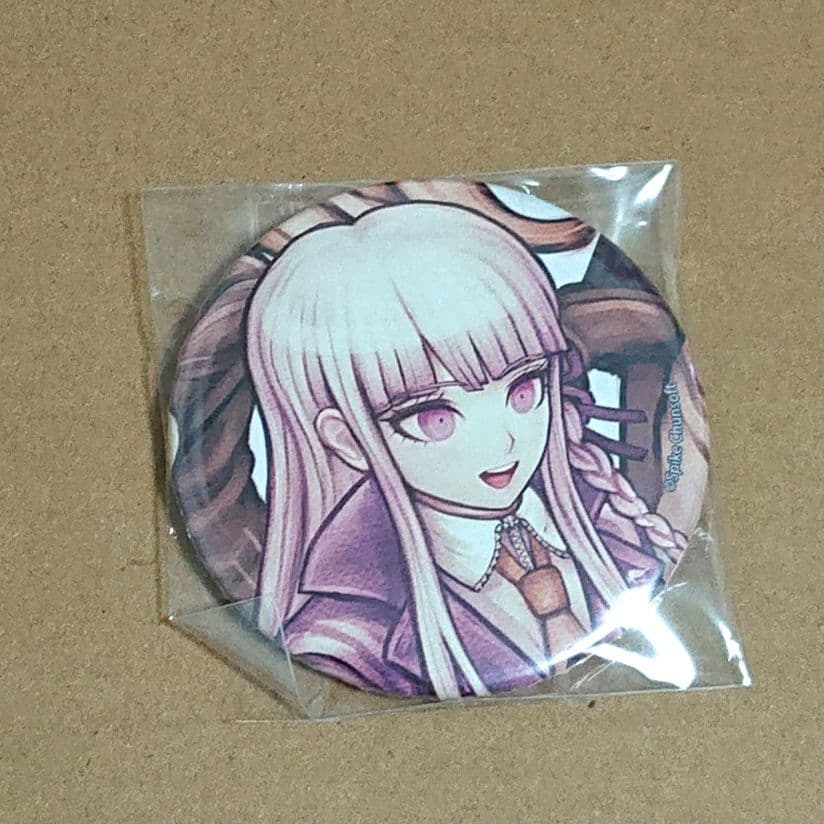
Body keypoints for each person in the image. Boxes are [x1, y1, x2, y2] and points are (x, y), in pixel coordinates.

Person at [242, 195, 689, 699]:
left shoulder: (612, 528)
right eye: (435, 418)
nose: (503, 440)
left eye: (524, 389)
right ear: (346, 439)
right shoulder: (346, 635)